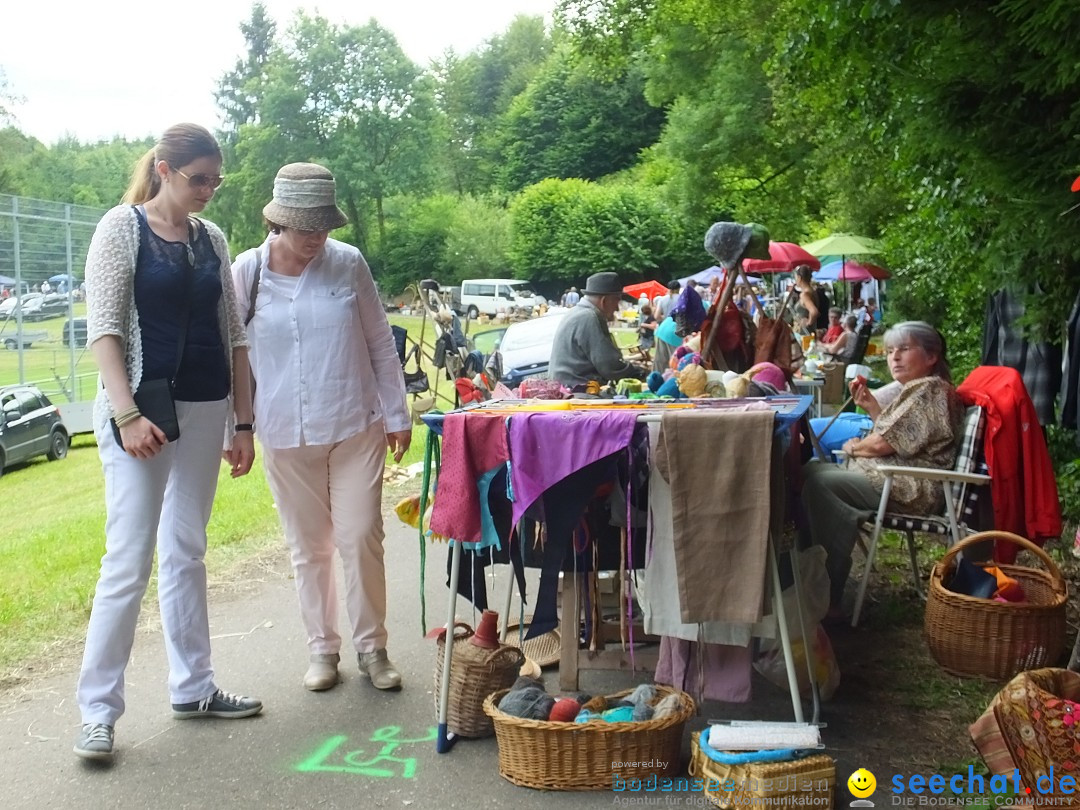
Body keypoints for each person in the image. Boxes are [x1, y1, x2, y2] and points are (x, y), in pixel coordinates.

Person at [74, 123, 260, 762]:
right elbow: (103, 329)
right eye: (198, 178)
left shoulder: (212, 238)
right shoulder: (120, 228)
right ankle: (97, 712)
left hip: (207, 406)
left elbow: (233, 332)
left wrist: (242, 422)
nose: (209, 189)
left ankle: (195, 687)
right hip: (140, 411)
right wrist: (125, 414)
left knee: (187, 549)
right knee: (127, 559)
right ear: (163, 169)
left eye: (216, 179)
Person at [232, 162, 412, 693]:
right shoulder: (249, 271)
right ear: (278, 223)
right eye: (304, 227)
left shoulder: (348, 264)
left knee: (360, 536)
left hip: (355, 423)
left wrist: (397, 412)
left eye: (323, 227)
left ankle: (373, 648)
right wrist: (235, 428)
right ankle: (322, 650)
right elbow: (234, 356)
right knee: (308, 546)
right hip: (284, 432)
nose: (315, 237)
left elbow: (380, 340)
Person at [800, 322, 964, 619]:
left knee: (820, 484)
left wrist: (853, 448)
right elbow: (906, 439)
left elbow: (880, 445)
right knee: (811, 472)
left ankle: (828, 593)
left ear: (931, 356)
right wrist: (873, 407)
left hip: (912, 487)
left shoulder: (930, 390)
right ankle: (814, 583)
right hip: (895, 477)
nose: (894, 357)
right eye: (889, 351)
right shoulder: (917, 389)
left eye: (904, 349)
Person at [549, 271, 649, 389]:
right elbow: (610, 366)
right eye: (617, 300)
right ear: (604, 301)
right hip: (576, 390)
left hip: (568, 386)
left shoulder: (579, 312)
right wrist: (640, 371)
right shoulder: (589, 317)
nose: (617, 308)